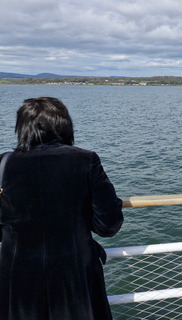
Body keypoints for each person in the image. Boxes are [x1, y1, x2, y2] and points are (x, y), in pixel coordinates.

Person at [0, 97, 124, 319]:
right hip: (75, 273)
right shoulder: (85, 160)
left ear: (22, 128)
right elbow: (108, 225)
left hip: (18, 275)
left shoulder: (3, 164)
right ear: (64, 125)